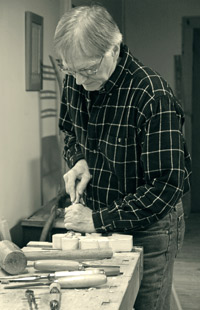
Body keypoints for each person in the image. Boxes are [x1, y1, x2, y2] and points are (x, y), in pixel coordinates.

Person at [54, 5, 192, 310]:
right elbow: (69, 131)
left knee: (148, 304)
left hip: (152, 227)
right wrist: (79, 159)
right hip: (101, 216)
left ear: (114, 49)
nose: (78, 81)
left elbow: (166, 187)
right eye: (70, 70)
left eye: (87, 70)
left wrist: (95, 220)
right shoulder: (78, 80)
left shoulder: (153, 97)